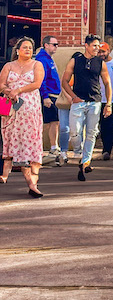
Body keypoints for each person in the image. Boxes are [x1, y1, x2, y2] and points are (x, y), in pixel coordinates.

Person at [61, 34, 113, 182]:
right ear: (87, 45)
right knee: (74, 132)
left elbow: (107, 83)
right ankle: (79, 152)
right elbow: (64, 81)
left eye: (99, 46)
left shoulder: (100, 62)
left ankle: (85, 161)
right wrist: (72, 97)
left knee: (92, 133)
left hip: (95, 102)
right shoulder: (75, 61)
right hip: (78, 101)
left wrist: (108, 103)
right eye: (95, 46)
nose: (97, 48)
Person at [0, 37, 44, 196]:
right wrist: (8, 92)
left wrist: (18, 91)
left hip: (30, 109)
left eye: (30, 48)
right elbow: (1, 84)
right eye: (25, 47)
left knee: (28, 142)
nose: (28, 50)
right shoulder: (8, 66)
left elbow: (37, 84)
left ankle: (33, 184)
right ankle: (6, 173)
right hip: (11, 109)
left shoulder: (37, 65)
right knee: (11, 138)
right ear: (17, 50)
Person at [35, 34, 62, 163]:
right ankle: (38, 146)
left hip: (54, 94)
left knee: (54, 121)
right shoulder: (42, 59)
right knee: (46, 123)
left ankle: (53, 146)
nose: (56, 47)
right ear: (46, 45)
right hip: (49, 95)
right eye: (54, 44)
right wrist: (45, 96)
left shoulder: (48, 58)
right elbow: (41, 80)